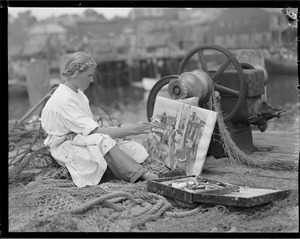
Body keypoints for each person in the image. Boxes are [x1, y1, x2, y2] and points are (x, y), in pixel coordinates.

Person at [41, 52, 165, 188]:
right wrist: (132, 129)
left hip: (80, 138)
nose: (92, 80)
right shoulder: (64, 99)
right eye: (89, 75)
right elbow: (94, 132)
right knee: (104, 140)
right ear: (75, 73)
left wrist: (122, 131)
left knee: (130, 147)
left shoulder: (79, 95)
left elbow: (87, 127)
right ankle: (141, 175)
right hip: (66, 146)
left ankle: (146, 167)